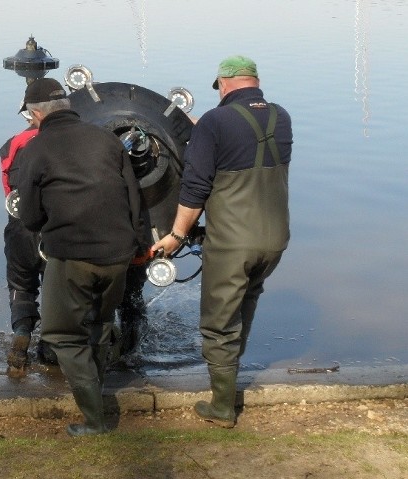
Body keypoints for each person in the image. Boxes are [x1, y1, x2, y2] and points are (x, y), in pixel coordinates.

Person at [151, 55, 292, 428]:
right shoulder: (280, 116)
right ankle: (230, 381)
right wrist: (205, 132)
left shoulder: (216, 121)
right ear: (255, 81)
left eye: (219, 89)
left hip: (233, 242)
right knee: (245, 305)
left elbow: (195, 188)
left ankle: (222, 407)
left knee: (218, 323)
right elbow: (243, 146)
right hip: (274, 239)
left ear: (224, 84)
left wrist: (177, 235)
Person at [16, 78, 147, 436]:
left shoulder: (35, 150)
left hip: (72, 253)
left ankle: (95, 420)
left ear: (35, 114)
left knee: (61, 335)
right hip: (119, 253)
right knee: (100, 325)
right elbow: (134, 197)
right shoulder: (106, 138)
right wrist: (139, 245)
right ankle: (97, 395)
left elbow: (28, 217)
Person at [0, 105, 44, 378]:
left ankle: (22, 333)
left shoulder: (10, 146)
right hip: (53, 229)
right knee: (57, 288)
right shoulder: (63, 142)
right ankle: (51, 347)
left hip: (19, 226)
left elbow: (8, 190)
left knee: (21, 285)